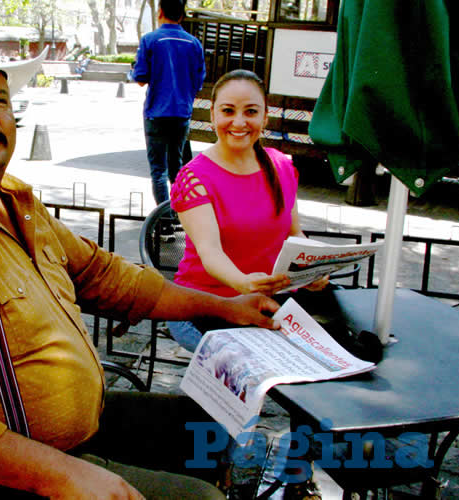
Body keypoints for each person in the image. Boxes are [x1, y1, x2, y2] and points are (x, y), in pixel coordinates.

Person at [0, 15, 282, 500]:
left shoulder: (10, 199)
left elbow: (104, 277)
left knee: (208, 429)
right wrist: (68, 477)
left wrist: (223, 307)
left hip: (72, 431)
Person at [168, 67, 329, 500]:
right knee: (243, 378)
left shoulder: (281, 166)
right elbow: (209, 253)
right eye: (228, 111)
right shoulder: (193, 176)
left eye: (250, 112)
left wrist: (312, 270)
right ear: (213, 113)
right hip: (204, 306)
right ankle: (219, 480)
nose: (239, 122)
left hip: (269, 306)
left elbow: (295, 238)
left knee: (320, 374)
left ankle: (298, 477)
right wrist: (245, 284)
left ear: (266, 116)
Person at [130, 0, 205, 213]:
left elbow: (141, 78)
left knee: (159, 172)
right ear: (182, 16)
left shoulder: (150, 40)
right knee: (177, 169)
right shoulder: (194, 44)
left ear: (160, 12)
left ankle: (165, 222)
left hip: (156, 113)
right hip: (181, 113)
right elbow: (197, 82)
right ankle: (180, 216)